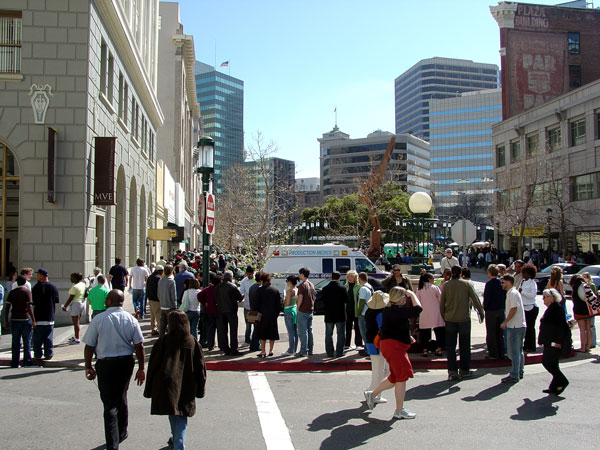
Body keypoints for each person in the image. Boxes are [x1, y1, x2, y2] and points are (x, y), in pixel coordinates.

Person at [82, 289, 145, 450]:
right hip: (125, 363)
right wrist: (141, 368)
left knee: (109, 403)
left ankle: (113, 443)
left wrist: (88, 365)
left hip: (106, 364)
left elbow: (89, 345)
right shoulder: (130, 319)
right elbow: (139, 345)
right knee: (121, 396)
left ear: (109, 301)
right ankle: (122, 431)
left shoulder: (99, 319)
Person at [144, 310, 206, 450]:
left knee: (173, 411)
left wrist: (149, 389)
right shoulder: (192, 341)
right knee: (181, 412)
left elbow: (153, 365)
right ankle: (178, 440)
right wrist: (200, 388)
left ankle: (177, 440)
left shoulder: (163, 341)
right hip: (186, 383)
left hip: (166, 383)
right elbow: (200, 368)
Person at [364, 286, 422, 419]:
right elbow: (418, 309)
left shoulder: (389, 310)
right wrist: (412, 294)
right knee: (401, 377)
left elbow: (395, 327)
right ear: (401, 298)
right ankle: (399, 410)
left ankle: (372, 394)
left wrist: (407, 337)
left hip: (391, 345)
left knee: (395, 377)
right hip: (394, 347)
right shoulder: (397, 310)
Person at [440, 265, 484, 380]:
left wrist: (444, 316)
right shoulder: (467, 284)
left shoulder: (446, 285)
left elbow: (442, 303)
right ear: (460, 273)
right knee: (464, 346)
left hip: (450, 319)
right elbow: (475, 299)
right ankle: (464, 370)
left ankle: (452, 371)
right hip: (464, 318)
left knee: (450, 347)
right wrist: (481, 312)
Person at [539, 288, 571, 395]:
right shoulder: (551, 308)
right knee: (553, 363)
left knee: (547, 362)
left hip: (553, 342)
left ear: (552, 298)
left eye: (545, 297)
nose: (543, 299)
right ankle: (554, 386)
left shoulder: (557, 308)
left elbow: (561, 327)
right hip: (549, 341)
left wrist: (558, 341)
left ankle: (562, 381)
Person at [2, 276, 35, 367]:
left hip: (14, 319)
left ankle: (15, 362)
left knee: (15, 341)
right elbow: (29, 307)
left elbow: (7, 307)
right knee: (27, 341)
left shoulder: (12, 292)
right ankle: (27, 361)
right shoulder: (27, 292)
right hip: (25, 318)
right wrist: (33, 319)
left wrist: (6, 320)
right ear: (25, 283)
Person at [364, 291, 390, 404]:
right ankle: (372, 392)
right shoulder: (380, 314)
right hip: (378, 344)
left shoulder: (369, 312)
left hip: (371, 342)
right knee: (380, 370)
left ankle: (375, 393)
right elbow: (383, 328)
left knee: (378, 369)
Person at [500, 274, 526, 383]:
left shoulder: (512, 294)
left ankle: (515, 374)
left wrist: (505, 322)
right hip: (518, 325)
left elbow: (514, 308)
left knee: (514, 352)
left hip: (515, 326)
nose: (502, 284)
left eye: (503, 282)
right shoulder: (513, 293)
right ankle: (519, 370)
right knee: (518, 351)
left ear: (509, 282)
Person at [31, 268, 60, 364]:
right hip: (49, 316)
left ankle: (38, 354)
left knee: (37, 338)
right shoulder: (53, 287)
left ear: (42, 276)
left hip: (38, 316)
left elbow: (33, 302)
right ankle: (49, 353)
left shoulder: (36, 288)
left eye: (38, 274)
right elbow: (56, 301)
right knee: (48, 337)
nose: (37, 276)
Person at [215, 270, 242, 356]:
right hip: (231, 310)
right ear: (231, 277)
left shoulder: (218, 287)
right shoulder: (232, 286)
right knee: (233, 331)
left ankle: (225, 348)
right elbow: (239, 297)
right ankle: (234, 349)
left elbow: (216, 298)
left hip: (221, 310)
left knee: (223, 331)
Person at [416, 273, 444, 357]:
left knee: (424, 333)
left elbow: (417, 302)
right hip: (436, 313)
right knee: (439, 332)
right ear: (429, 279)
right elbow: (441, 299)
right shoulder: (435, 288)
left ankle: (425, 350)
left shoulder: (419, 289)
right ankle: (439, 349)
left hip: (424, 313)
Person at [483, 264, 506, 360]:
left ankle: (493, 353)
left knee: (491, 333)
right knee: (499, 333)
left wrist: (485, 307)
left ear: (489, 273)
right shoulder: (501, 282)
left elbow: (487, 298)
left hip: (491, 311)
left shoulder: (489, 284)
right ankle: (501, 352)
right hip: (500, 310)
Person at [321, 271, 347, 358]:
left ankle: (329, 352)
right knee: (341, 333)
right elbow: (346, 300)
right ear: (339, 278)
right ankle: (340, 351)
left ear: (331, 278)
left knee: (329, 334)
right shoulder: (342, 288)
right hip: (340, 314)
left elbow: (323, 301)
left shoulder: (325, 289)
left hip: (329, 314)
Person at [255, 273, 280, 357]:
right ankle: (271, 350)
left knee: (262, 334)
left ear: (262, 281)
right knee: (272, 334)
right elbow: (278, 305)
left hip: (262, 315)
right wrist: (276, 314)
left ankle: (263, 351)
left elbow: (256, 304)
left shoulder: (259, 290)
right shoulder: (275, 290)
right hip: (272, 316)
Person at [569, 274, 593, 352]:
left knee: (582, 330)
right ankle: (588, 346)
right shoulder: (585, 285)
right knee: (588, 329)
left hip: (579, 310)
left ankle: (582, 347)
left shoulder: (575, 287)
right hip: (588, 309)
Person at [296, 267, 316, 357]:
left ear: (302, 274)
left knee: (302, 332)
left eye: (300, 274)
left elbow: (300, 298)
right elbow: (314, 297)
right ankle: (310, 349)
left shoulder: (302, 285)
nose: (299, 276)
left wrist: (298, 308)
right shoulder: (311, 284)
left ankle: (303, 351)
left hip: (303, 310)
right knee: (309, 330)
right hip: (310, 310)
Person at [198, 272, 220, 351]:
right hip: (218, 311)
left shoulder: (208, 289)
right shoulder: (219, 289)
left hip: (210, 311)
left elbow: (199, 295)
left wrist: (204, 303)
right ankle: (220, 344)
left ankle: (210, 345)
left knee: (211, 329)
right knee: (220, 329)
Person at [62, 273, 86, 344]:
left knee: (76, 323)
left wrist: (65, 306)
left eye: (71, 277)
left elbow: (71, 298)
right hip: (81, 303)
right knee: (77, 321)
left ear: (75, 278)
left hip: (76, 304)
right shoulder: (82, 284)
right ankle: (76, 336)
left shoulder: (75, 287)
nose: (70, 279)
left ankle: (77, 338)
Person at [520, 264, 539, 353]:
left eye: (525, 273)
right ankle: (526, 345)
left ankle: (532, 346)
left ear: (530, 274)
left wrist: (522, 292)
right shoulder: (522, 282)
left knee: (531, 328)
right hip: (524, 307)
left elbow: (532, 295)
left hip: (531, 307)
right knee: (525, 328)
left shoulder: (533, 283)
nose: (523, 275)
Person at [344, 270, 362, 350]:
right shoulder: (345, 286)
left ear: (355, 277)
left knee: (357, 328)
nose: (350, 278)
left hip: (356, 310)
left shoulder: (359, 286)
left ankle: (358, 344)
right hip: (347, 310)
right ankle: (347, 344)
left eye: (351, 276)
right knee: (348, 328)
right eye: (348, 277)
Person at [357, 272, 374, 355]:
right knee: (368, 331)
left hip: (363, 313)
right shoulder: (370, 286)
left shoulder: (363, 288)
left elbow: (361, 301)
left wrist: (358, 312)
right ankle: (368, 348)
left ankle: (368, 350)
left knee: (364, 332)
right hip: (370, 311)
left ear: (359, 278)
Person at [282, 274, 298, 356]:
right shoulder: (297, 289)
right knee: (295, 331)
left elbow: (287, 303)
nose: (286, 282)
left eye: (287, 281)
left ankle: (290, 350)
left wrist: (283, 299)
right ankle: (294, 349)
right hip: (294, 310)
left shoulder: (289, 291)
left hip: (288, 310)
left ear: (290, 282)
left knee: (290, 332)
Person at [158, 265, 177, 337]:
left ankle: (161, 338)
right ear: (171, 271)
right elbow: (173, 295)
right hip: (170, 306)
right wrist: (175, 306)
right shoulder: (171, 281)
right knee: (171, 325)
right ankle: (170, 338)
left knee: (162, 324)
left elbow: (158, 293)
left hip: (162, 305)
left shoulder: (160, 280)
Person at [239, 266, 256, 345]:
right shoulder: (243, 281)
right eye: (248, 274)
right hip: (247, 305)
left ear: (253, 273)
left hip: (255, 306)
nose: (249, 276)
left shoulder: (256, 280)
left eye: (250, 274)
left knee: (256, 324)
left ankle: (255, 340)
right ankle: (247, 340)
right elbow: (241, 291)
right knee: (248, 325)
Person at [247, 272, 263, 352]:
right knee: (257, 329)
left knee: (255, 328)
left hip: (252, 309)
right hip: (258, 311)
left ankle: (254, 345)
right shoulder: (260, 288)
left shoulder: (252, 287)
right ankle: (255, 345)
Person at [146, 265, 164, 336]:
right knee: (158, 315)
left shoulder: (150, 277)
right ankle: (160, 331)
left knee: (152, 315)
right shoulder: (158, 278)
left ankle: (153, 329)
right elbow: (159, 290)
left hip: (150, 298)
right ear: (159, 271)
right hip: (156, 299)